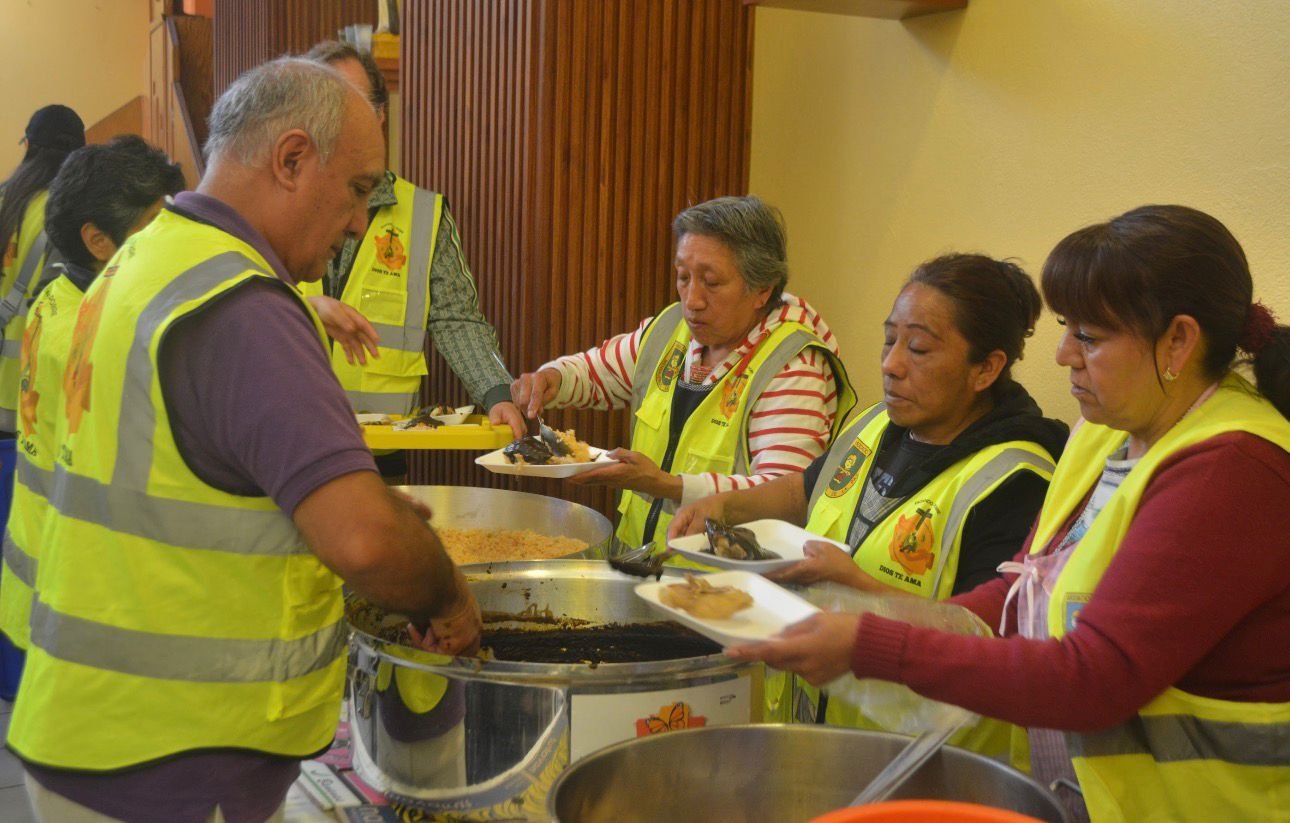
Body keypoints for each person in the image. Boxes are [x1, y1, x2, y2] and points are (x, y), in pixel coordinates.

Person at [7, 58, 482, 821]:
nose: (361, 221)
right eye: (359, 189)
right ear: (292, 159)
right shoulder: (240, 306)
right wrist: (447, 592)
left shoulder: (147, 258)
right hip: (171, 763)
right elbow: (363, 541)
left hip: (94, 731)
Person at [729, 205, 1290, 823]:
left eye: (1091, 337)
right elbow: (1019, 595)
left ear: (1178, 341)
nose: (1061, 355)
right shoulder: (1108, 430)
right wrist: (868, 616)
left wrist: (872, 643)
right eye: (1066, 327)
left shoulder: (1230, 469)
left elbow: (1096, 677)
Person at [671, 253, 1067, 759]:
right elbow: (809, 490)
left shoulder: (1015, 480)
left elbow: (985, 641)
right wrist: (726, 507)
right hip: (829, 734)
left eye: (919, 348)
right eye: (889, 339)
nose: (891, 363)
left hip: (926, 761)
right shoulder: (879, 422)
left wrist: (854, 582)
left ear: (986, 369)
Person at [511, 195, 857, 554]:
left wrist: (670, 486)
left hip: (725, 591)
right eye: (683, 277)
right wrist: (552, 379)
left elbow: (783, 495)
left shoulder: (791, 364)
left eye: (711, 282)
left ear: (762, 290)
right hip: (640, 566)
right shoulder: (671, 329)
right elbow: (595, 373)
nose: (692, 300)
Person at [0, 136, 184, 697]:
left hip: (54, 581)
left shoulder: (60, 295)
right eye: (158, 225)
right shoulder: (93, 337)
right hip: (83, 601)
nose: (174, 240)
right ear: (98, 241)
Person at [303, 41, 525, 480]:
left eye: (355, 104)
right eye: (325, 103)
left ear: (381, 115)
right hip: (283, 447)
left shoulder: (421, 214)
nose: (339, 119)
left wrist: (497, 392)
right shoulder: (279, 206)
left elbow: (457, 319)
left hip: (377, 456)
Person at [0, 104, 84, 700]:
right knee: (24, 544)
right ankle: (19, 673)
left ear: (27, 142)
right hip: (30, 402)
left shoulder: (5, 199)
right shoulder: (67, 212)